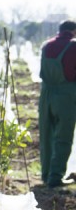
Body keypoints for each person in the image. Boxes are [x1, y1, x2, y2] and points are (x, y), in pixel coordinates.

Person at [38, 20, 76, 187]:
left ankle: (45, 174)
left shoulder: (46, 45)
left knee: (46, 135)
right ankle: (55, 177)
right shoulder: (73, 46)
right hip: (65, 96)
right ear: (73, 31)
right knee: (63, 136)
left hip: (46, 95)